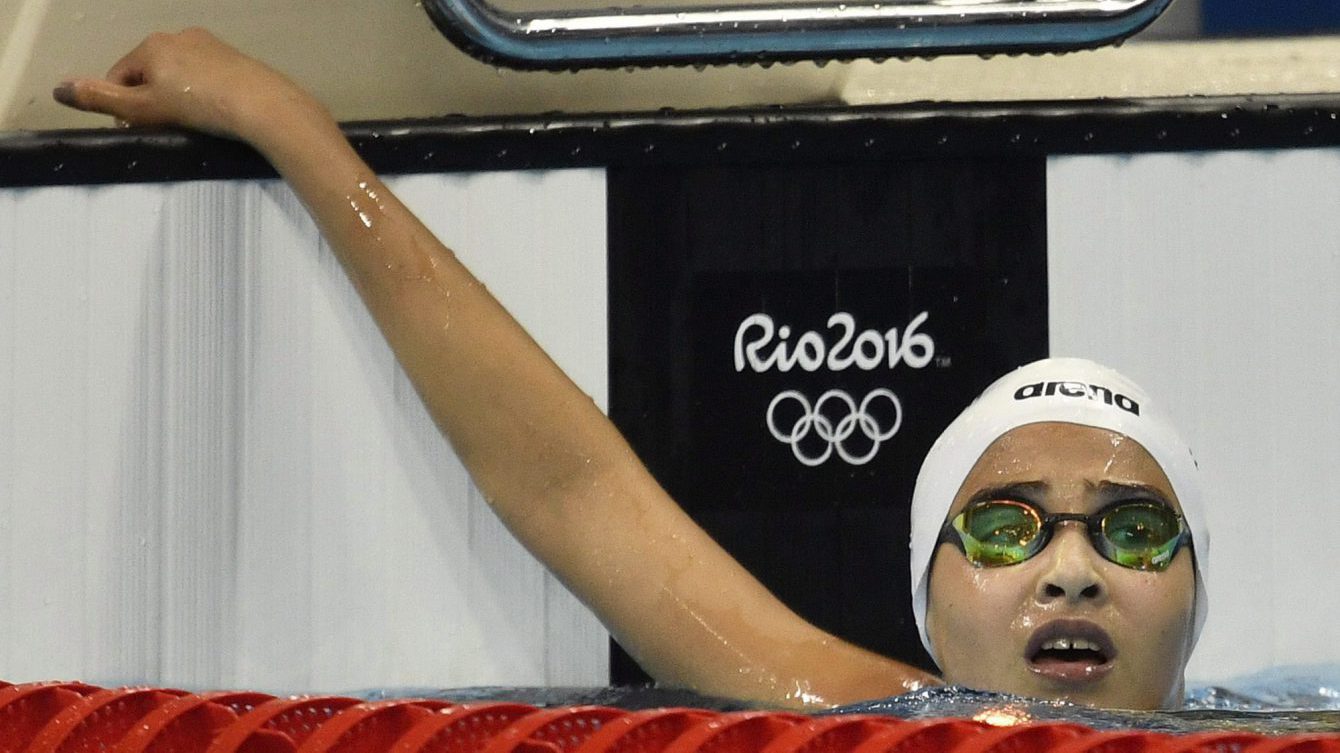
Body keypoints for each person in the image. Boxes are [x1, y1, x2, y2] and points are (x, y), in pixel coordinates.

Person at [53, 29, 1205, 711]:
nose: (1069, 572)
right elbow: (571, 489)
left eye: (1135, 531)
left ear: (1199, 593)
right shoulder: (850, 714)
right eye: (1005, 528)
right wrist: (289, 126)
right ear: (925, 589)